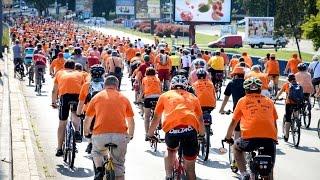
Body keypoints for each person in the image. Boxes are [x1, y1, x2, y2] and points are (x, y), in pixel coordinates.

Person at [147, 75, 204, 180]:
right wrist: (202, 134)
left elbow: (156, 117)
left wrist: (150, 134)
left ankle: (168, 176)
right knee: (191, 169)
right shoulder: (193, 97)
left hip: (172, 130)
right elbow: (200, 119)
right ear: (186, 86)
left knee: (171, 150)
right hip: (190, 131)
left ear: (172, 86)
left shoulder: (164, 96)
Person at [224, 77, 278, 180]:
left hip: (250, 139)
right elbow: (274, 123)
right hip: (269, 139)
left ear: (245, 90)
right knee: (269, 169)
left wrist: (227, 137)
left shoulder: (242, 101)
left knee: (236, 147)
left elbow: (233, 122)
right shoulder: (269, 101)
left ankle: (244, 173)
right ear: (260, 89)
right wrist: (274, 139)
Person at [84, 75, 135, 180]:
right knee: (119, 166)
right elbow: (131, 120)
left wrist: (86, 132)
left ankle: (99, 169)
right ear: (117, 86)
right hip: (120, 135)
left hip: (100, 135)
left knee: (96, 152)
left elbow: (88, 119)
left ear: (104, 86)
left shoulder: (97, 97)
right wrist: (130, 135)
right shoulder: (124, 98)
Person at [51, 60, 85, 157]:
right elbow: (83, 88)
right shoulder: (79, 74)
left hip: (64, 97)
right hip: (77, 96)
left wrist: (53, 102)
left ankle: (59, 148)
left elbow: (54, 90)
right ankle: (77, 131)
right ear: (74, 67)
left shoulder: (59, 73)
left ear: (64, 67)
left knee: (62, 123)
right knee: (75, 113)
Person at [77, 65, 105, 154]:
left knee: (88, 127)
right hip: (103, 112)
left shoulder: (86, 85)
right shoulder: (106, 85)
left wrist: (78, 113)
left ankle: (90, 142)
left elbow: (81, 102)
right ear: (103, 74)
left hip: (89, 110)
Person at [275, 74, 303, 142]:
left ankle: (286, 136)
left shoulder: (286, 84)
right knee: (296, 114)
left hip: (289, 103)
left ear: (288, 79)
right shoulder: (299, 85)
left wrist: (276, 98)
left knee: (288, 120)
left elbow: (280, 92)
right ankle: (297, 121)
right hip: (297, 103)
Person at [141, 67, 161, 140]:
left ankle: (147, 134)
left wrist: (140, 98)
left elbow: (143, 90)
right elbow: (160, 88)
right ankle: (160, 122)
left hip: (148, 97)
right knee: (158, 112)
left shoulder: (145, 79)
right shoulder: (157, 79)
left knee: (147, 117)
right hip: (158, 97)